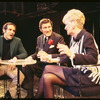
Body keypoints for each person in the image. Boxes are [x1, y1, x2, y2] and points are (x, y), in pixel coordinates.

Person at [35, 9, 100, 98]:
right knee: (47, 77)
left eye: (66, 24)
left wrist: (72, 54)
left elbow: (93, 58)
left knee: (47, 67)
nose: (65, 27)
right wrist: (52, 59)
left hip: (88, 75)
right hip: (78, 73)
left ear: (73, 23)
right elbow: (67, 57)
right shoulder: (73, 38)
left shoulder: (87, 36)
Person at [21, 18, 65, 98]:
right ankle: (30, 94)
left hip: (53, 66)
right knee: (26, 66)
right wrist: (29, 58)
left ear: (52, 27)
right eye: (45, 27)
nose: (48, 29)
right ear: (41, 29)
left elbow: (63, 55)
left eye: (49, 27)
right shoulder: (39, 38)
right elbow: (37, 53)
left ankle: (41, 95)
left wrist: (48, 56)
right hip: (41, 65)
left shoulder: (58, 38)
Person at [0, 22, 28, 98]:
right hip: (0, 67)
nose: (12, 32)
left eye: (14, 30)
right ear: (4, 30)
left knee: (20, 77)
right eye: (10, 30)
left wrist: (15, 58)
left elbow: (24, 53)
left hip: (10, 67)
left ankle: (9, 95)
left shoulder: (17, 41)